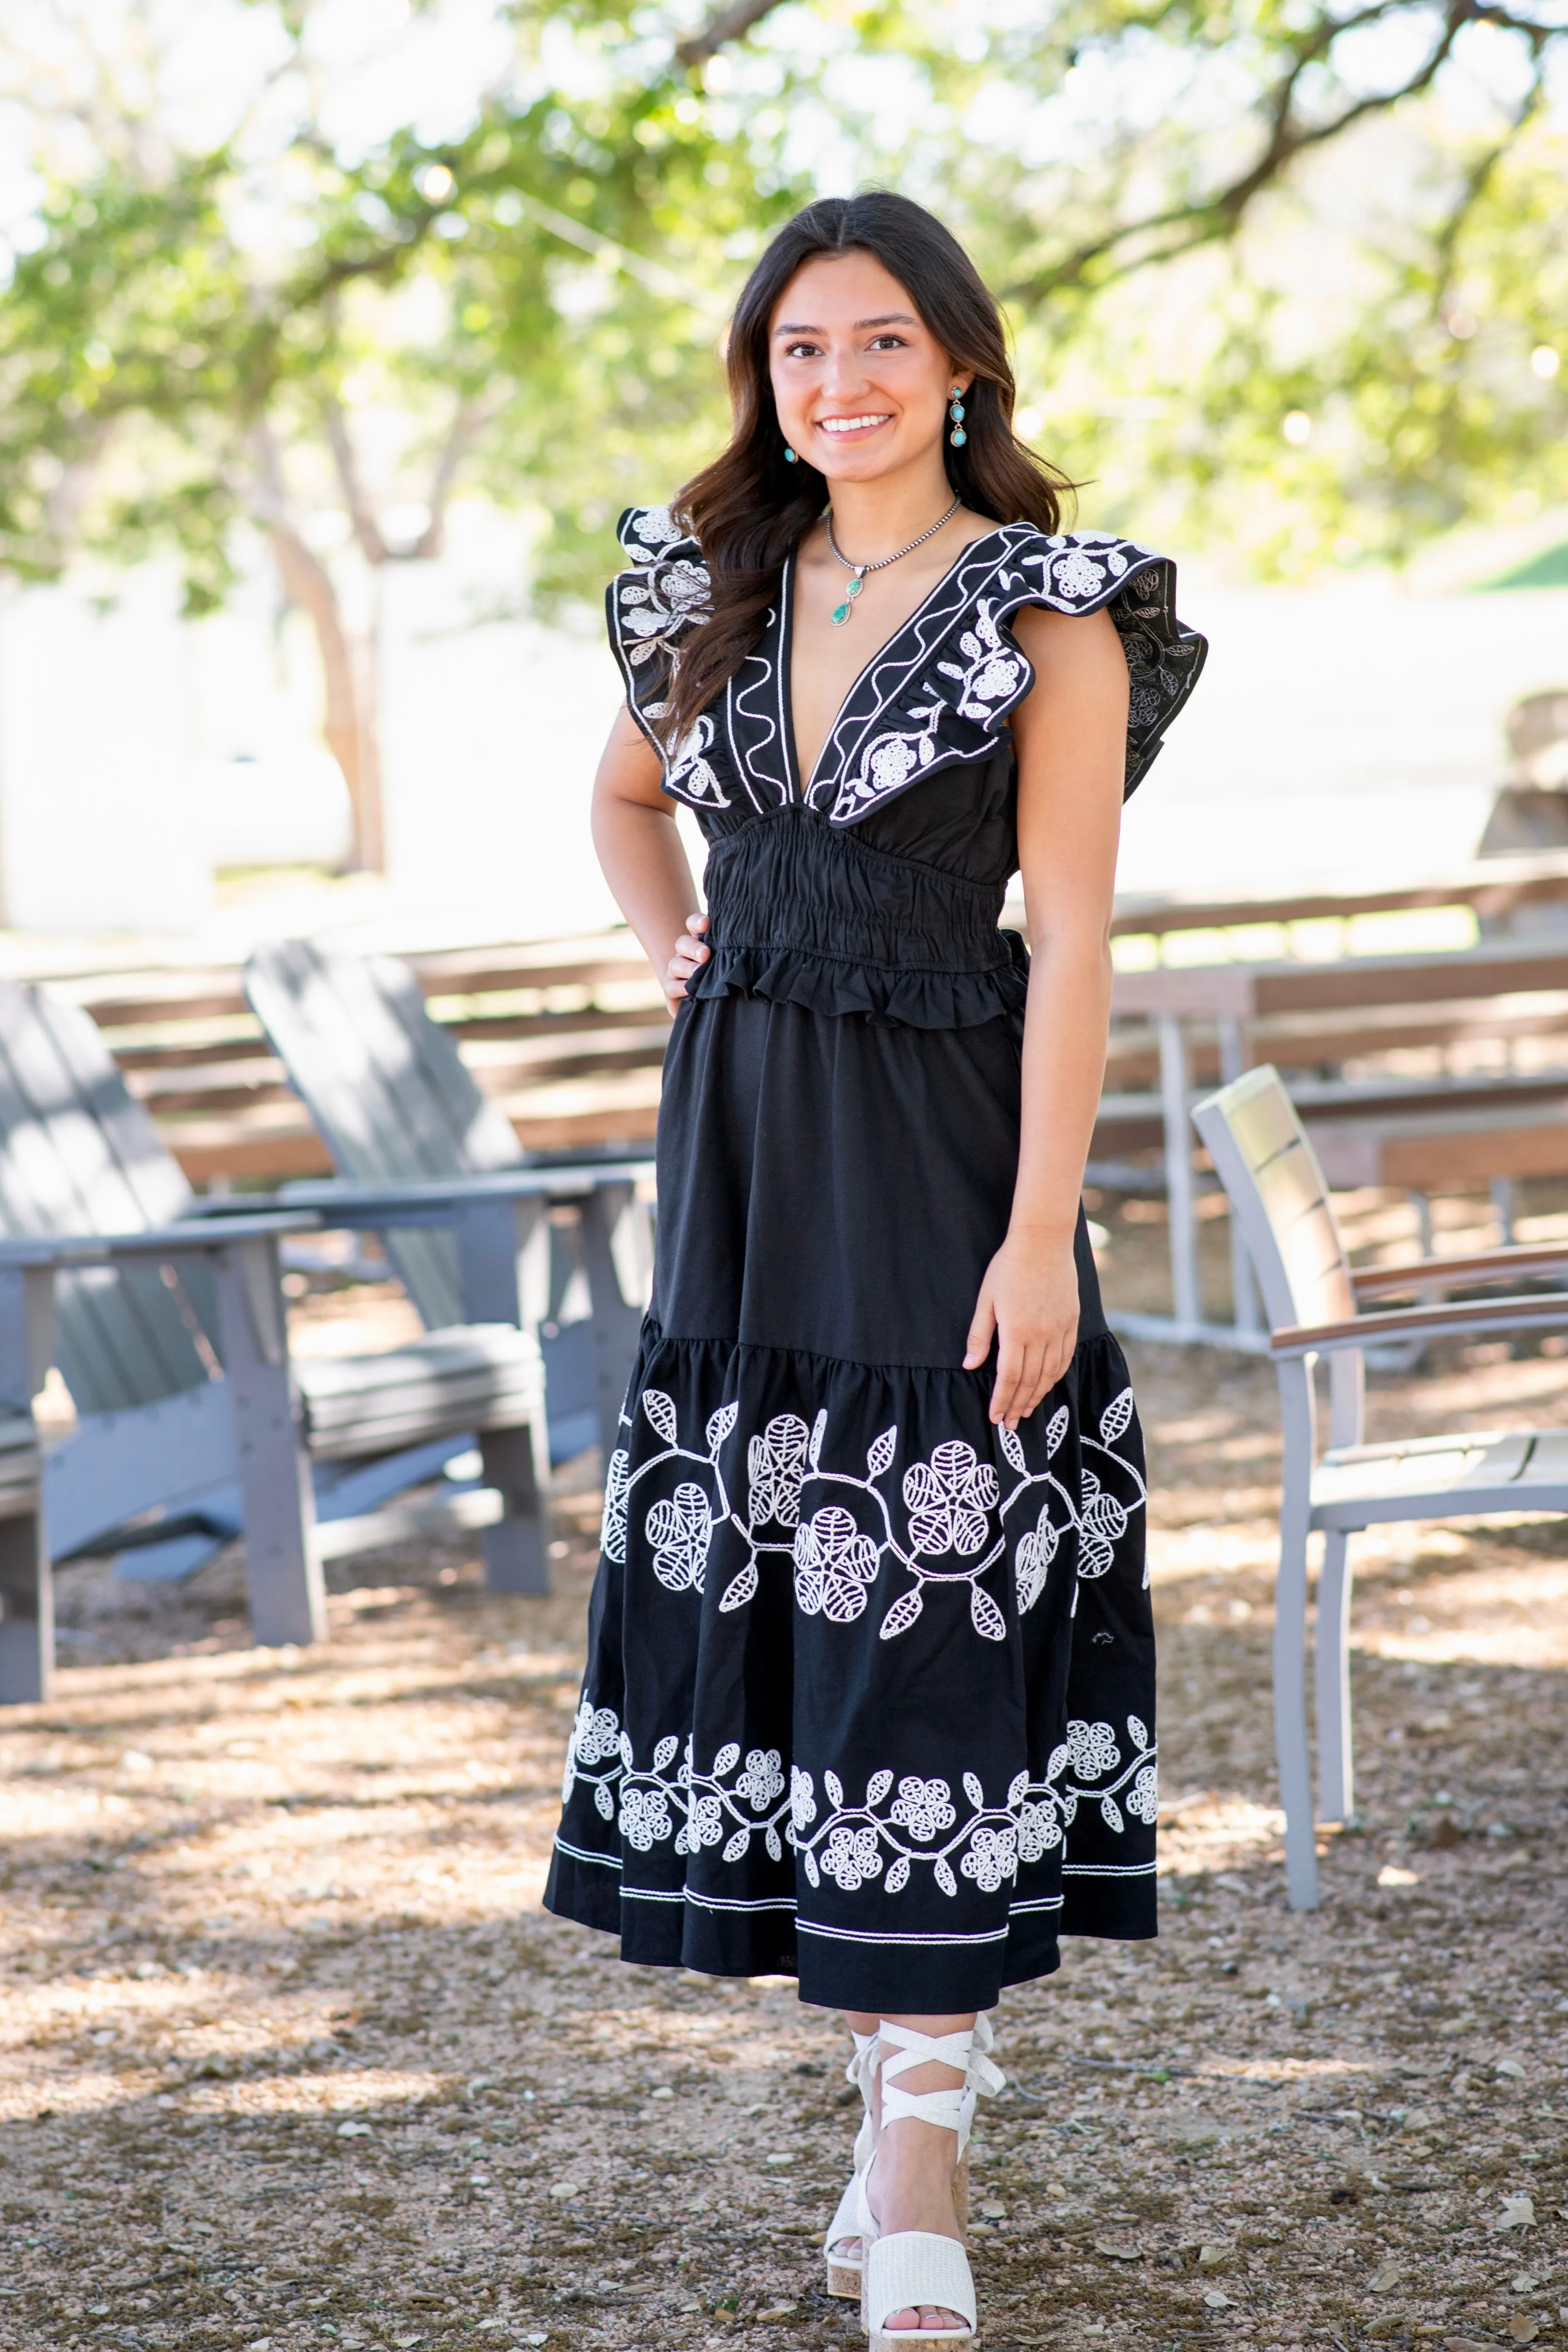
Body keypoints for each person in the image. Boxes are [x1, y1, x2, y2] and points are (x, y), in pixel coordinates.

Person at [545, 189, 1206, 2345]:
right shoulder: (711, 585)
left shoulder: (1050, 618)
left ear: (963, 367)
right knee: (790, 1628)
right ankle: (886, 2102)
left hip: (943, 1147)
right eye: (802, 349)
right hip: (738, 1149)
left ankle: (919, 2148)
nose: (839, 384)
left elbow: (1081, 941)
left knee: (919, 1611)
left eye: (883, 345)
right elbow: (625, 801)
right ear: (769, 375)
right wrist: (671, 940)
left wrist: (1040, 1242)